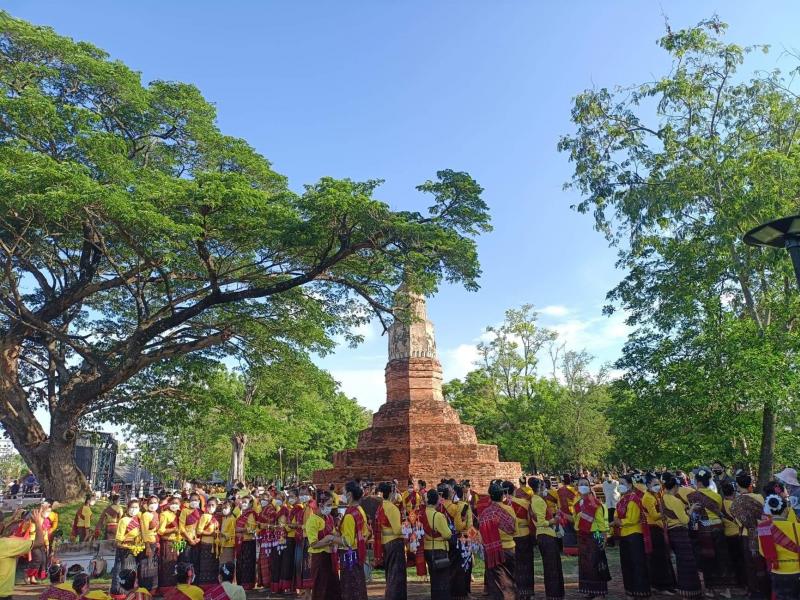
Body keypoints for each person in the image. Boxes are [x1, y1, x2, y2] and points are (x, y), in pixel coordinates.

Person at [689, 467, 735, 598]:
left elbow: (694, 516)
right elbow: (719, 510)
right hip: (718, 528)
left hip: (704, 530)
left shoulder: (693, 496)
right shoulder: (717, 496)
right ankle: (727, 589)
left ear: (698, 482)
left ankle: (710, 589)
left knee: (707, 558)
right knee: (722, 558)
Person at [661, 473, 702, 600]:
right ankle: (689, 591)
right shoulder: (675, 500)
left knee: (681, 562)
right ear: (675, 487)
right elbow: (685, 520)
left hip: (672, 532)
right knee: (687, 563)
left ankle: (684, 591)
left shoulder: (663, 497)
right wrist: (691, 509)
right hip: (680, 532)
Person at [730, 473, 770, 600]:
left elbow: (739, 522)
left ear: (737, 485)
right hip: (761, 533)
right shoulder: (759, 497)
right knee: (761, 562)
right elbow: (765, 515)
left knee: (750, 564)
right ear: (749, 484)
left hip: (747, 535)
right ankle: (765, 590)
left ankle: (755, 591)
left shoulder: (736, 503)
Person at [758, 494, 800, 600]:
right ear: (786, 510)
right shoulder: (797, 527)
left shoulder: (764, 528)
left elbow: (763, 552)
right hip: (797, 570)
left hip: (777, 571)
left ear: (769, 510)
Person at [480, 481, 518, 600]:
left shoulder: (485, 513)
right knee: (510, 580)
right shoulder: (509, 509)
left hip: (492, 552)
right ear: (502, 496)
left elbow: (482, 535)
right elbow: (514, 531)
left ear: (490, 497)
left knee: (496, 583)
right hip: (509, 549)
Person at [575, 476, 610, 599]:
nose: (583, 486)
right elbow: (575, 520)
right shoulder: (577, 503)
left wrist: (604, 537)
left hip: (595, 534)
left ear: (590, 487)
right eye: (581, 484)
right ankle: (591, 591)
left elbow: (601, 523)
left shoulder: (594, 503)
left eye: (586, 484)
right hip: (582, 536)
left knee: (596, 562)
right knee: (586, 564)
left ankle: (600, 592)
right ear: (577, 487)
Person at [1, 508, 46, 599]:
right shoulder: (6, 544)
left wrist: (11, 522)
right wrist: (38, 522)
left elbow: (3, 535)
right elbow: (40, 542)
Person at [305, 490, 342, 600]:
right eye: (328, 505)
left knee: (333, 588)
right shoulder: (312, 521)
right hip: (319, 558)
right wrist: (329, 540)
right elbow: (314, 544)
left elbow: (334, 534)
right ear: (320, 505)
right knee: (321, 588)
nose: (330, 507)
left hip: (331, 557)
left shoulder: (329, 518)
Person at [642, 474, 676, 594]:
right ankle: (661, 586)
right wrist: (667, 512)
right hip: (654, 529)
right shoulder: (648, 498)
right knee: (659, 558)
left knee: (664, 556)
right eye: (655, 484)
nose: (658, 486)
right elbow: (654, 516)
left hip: (660, 528)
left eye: (658, 484)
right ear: (648, 485)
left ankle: (669, 584)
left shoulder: (655, 495)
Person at [373, 481, 405, 600]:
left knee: (391, 575)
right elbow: (397, 530)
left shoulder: (381, 507)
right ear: (391, 493)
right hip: (395, 543)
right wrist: (408, 528)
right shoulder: (391, 508)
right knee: (396, 576)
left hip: (386, 543)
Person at [339, 481, 369, 600]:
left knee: (349, 586)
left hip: (349, 554)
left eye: (343, 493)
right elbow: (366, 532)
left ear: (349, 495)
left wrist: (332, 539)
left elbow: (348, 541)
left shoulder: (349, 515)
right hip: (358, 551)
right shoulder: (360, 510)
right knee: (358, 584)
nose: (342, 496)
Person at [420, 488, 451, 600]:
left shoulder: (422, 513)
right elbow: (447, 534)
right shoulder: (438, 515)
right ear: (436, 500)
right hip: (439, 549)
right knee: (442, 581)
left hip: (427, 548)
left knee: (434, 579)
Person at [111, 499, 144, 597]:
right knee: (123, 573)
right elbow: (117, 542)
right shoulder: (123, 520)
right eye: (132, 507)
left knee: (132, 573)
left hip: (135, 551)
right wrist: (129, 545)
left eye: (136, 507)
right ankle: (120, 593)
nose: (134, 509)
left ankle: (130, 594)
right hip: (125, 551)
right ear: (128, 508)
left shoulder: (138, 519)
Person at [447, 482, 474, 600]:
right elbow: (469, 525)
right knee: (465, 567)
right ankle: (464, 593)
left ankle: (452, 592)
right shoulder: (465, 506)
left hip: (451, 539)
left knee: (453, 566)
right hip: (464, 539)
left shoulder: (448, 506)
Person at [510, 483, 534, 600]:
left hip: (511, 537)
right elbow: (530, 520)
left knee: (514, 565)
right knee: (527, 563)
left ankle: (515, 591)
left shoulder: (504, 504)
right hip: (524, 535)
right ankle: (528, 592)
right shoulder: (525, 503)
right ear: (513, 491)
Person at [720, 482, 746, 590]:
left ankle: (737, 582)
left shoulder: (721, 504)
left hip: (728, 535)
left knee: (733, 560)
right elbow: (741, 522)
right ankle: (744, 582)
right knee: (741, 560)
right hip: (738, 535)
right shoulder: (735, 505)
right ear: (733, 492)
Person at [158, 495, 182, 597]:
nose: (174, 505)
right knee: (166, 566)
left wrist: (179, 547)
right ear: (169, 504)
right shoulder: (164, 514)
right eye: (173, 503)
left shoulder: (179, 515)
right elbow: (161, 531)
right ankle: (165, 589)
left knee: (174, 566)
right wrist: (173, 529)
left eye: (177, 503)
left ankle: (173, 589)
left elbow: (180, 532)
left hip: (176, 542)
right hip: (167, 543)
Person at [195, 496, 220, 589]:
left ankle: (212, 585)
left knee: (213, 565)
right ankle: (205, 585)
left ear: (216, 506)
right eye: (209, 505)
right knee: (206, 565)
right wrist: (211, 533)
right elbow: (199, 531)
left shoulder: (215, 517)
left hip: (214, 545)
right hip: (206, 544)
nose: (211, 507)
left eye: (213, 505)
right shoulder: (204, 516)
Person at [234, 495, 257, 591]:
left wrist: (240, 530)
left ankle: (247, 584)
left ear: (250, 504)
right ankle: (240, 583)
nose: (243, 504)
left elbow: (252, 529)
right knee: (240, 563)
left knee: (247, 564)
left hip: (248, 542)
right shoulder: (241, 514)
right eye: (242, 502)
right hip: (241, 541)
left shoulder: (250, 514)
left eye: (245, 502)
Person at [138, 495, 160, 592]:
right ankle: (145, 588)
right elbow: (144, 532)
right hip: (148, 543)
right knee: (146, 565)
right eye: (151, 503)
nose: (153, 505)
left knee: (153, 566)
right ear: (147, 504)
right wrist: (147, 547)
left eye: (155, 503)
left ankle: (153, 588)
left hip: (155, 542)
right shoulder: (145, 515)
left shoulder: (157, 514)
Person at [557, 474, 579, 556]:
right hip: (574, 513)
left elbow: (558, 503)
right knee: (576, 531)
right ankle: (577, 549)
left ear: (562, 482)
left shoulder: (559, 491)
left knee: (567, 532)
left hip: (564, 514)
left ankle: (569, 550)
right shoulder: (575, 490)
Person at [217, 501, 235, 566]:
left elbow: (232, 534)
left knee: (226, 565)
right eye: (223, 508)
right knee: (222, 563)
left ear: (231, 508)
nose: (224, 509)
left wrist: (221, 534)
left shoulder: (232, 519)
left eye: (226, 507)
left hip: (229, 545)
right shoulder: (224, 518)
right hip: (223, 544)